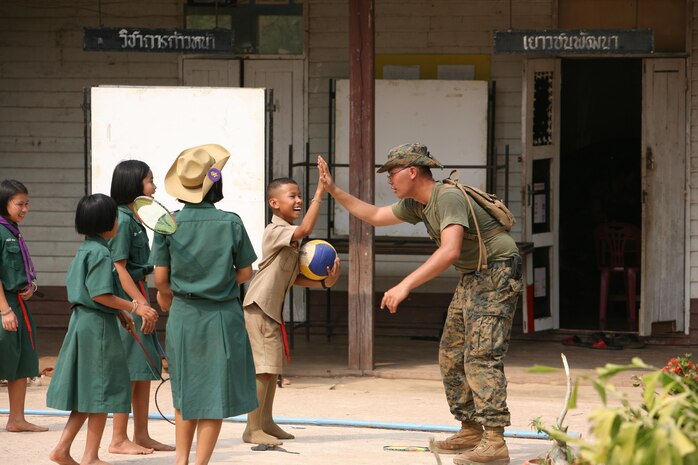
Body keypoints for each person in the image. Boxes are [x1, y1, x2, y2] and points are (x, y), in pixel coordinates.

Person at [318, 143, 523, 465]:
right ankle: (470, 429)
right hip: (474, 277)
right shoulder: (418, 205)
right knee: (452, 355)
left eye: (392, 173)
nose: (389, 181)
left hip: (497, 274)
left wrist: (404, 285)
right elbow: (373, 215)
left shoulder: (448, 197)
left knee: (481, 357)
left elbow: (450, 250)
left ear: (413, 172)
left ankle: (495, 441)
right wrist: (332, 189)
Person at [151, 144, 258, 465]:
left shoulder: (167, 223)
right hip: (223, 316)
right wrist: (219, 282)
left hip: (183, 315)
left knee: (185, 393)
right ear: (216, 185)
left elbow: (160, 280)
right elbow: (246, 271)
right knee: (214, 394)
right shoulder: (230, 223)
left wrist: (168, 299)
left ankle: (180, 461)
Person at [47, 193, 159, 465]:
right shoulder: (100, 253)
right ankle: (89, 457)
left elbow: (94, 294)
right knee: (100, 393)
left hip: (87, 322)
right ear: (108, 222)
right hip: (96, 328)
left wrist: (119, 313)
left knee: (91, 393)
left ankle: (65, 450)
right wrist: (133, 307)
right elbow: (100, 295)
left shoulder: (87, 248)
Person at [242, 177, 341, 445]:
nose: (298, 200)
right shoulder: (275, 231)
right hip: (259, 306)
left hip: (271, 309)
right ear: (274, 204)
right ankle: (252, 429)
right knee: (263, 369)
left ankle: (266, 422)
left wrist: (325, 282)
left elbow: (294, 276)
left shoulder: (291, 239)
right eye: (292, 196)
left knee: (272, 369)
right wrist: (319, 193)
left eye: (300, 195)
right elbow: (306, 227)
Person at [108, 160, 174, 454]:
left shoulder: (135, 219)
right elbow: (119, 268)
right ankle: (118, 438)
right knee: (128, 372)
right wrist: (141, 305)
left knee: (144, 368)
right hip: (129, 302)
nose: (154, 186)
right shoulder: (121, 220)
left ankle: (142, 434)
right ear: (134, 185)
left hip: (139, 295)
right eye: (149, 180)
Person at [0, 179, 47, 433]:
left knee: (20, 363)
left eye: (27, 204)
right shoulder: (0, 230)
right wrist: (4, 310)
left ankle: (16, 419)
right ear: (4, 203)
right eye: (19, 204)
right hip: (4, 305)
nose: (25, 209)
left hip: (18, 303)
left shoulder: (13, 230)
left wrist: (30, 288)